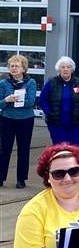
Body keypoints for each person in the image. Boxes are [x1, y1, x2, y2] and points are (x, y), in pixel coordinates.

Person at [0, 54, 38, 188]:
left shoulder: (31, 83)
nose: (14, 68)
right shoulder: (3, 83)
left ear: (23, 68)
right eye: (12, 66)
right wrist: (6, 100)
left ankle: (21, 179)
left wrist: (15, 100)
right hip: (6, 119)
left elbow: (30, 102)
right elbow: (0, 103)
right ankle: (1, 177)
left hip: (25, 120)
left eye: (17, 66)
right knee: (4, 149)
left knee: (23, 149)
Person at [39, 56, 79, 146]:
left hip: (75, 122)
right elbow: (42, 100)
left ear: (72, 69)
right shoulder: (51, 82)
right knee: (60, 148)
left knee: (75, 148)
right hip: (56, 123)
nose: (65, 69)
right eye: (63, 67)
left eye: (68, 67)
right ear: (59, 69)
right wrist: (49, 113)